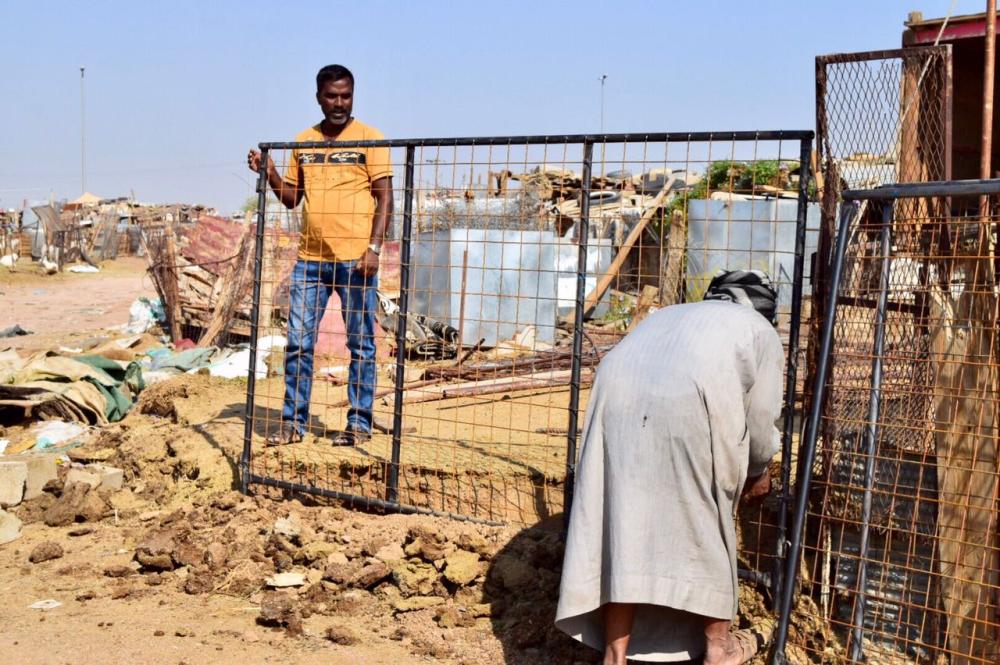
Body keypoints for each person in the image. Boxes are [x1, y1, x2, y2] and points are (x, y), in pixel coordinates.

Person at [555, 270, 784, 665]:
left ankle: (615, 654)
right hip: (690, 401)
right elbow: (762, 421)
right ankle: (719, 648)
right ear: (766, 310)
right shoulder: (760, 331)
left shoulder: (668, 314)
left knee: (625, 523)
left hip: (616, 399)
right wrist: (759, 471)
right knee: (708, 518)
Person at [248, 64, 393, 446]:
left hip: (355, 260)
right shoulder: (304, 142)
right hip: (310, 261)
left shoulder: (371, 139)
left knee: (361, 344)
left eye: (346, 96)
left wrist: (374, 248)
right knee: (298, 343)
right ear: (318, 97)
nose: (339, 103)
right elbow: (292, 199)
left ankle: (358, 424)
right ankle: (292, 423)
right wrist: (271, 173)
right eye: (332, 96)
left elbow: (386, 198)